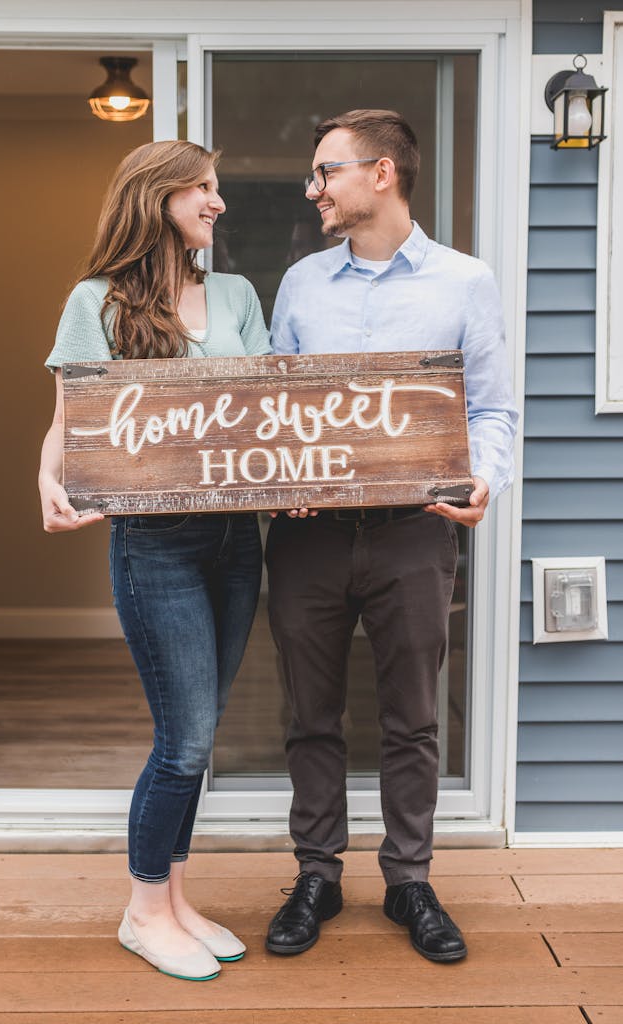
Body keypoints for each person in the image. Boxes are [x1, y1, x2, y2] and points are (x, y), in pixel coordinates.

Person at [264, 109, 518, 963]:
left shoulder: (463, 282)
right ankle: (317, 874)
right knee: (309, 714)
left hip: (415, 535)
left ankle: (409, 878)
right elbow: (275, 412)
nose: (314, 188)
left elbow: (490, 409)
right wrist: (279, 479)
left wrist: (484, 479)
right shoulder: (299, 283)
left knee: (412, 718)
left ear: (382, 174)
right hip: (306, 540)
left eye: (326, 171)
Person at [38, 140, 270, 981]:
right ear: (155, 198)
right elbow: (73, 416)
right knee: (183, 738)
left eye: (216, 188)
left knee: (197, 740)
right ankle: (142, 911)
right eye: (201, 189)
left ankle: (174, 898)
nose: (216, 203)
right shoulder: (95, 302)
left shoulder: (237, 295)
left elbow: (270, 410)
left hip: (237, 539)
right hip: (153, 540)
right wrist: (46, 477)